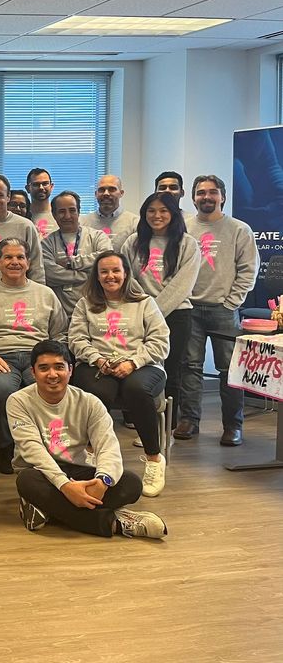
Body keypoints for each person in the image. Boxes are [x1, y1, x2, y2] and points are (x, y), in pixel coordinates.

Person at [10, 340, 167, 539]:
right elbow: (33, 450)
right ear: (33, 373)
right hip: (40, 472)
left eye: (59, 367)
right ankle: (116, 523)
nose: (52, 375)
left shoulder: (89, 402)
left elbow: (108, 446)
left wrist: (103, 481)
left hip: (78, 468)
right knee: (26, 481)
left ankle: (46, 509)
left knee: (131, 484)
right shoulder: (18, 401)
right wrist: (65, 486)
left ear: (70, 370)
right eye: (44, 368)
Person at [69, 251, 170, 497]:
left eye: (116, 271)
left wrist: (133, 362)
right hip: (97, 364)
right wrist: (98, 359)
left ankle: (154, 458)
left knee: (136, 389)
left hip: (143, 365)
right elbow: (76, 339)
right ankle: (92, 455)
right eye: (104, 271)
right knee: (98, 392)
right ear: (97, 276)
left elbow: (161, 341)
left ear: (126, 273)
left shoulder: (144, 302)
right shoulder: (85, 303)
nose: (110, 276)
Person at [0, 238, 68, 474]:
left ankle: (46, 446)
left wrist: (50, 360)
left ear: (29, 262)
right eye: (8, 257)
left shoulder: (45, 294)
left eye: (20, 257)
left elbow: (60, 333)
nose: (14, 262)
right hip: (0, 357)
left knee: (50, 386)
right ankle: (8, 446)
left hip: (38, 357)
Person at [179, 175, 259, 446]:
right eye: (201, 193)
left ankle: (233, 426)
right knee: (190, 367)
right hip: (189, 308)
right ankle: (189, 420)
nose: (206, 197)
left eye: (212, 192)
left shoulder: (239, 229)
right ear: (193, 198)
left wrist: (231, 302)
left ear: (222, 196)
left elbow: (249, 270)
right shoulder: (184, 227)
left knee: (229, 371)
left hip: (224, 310)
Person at [122, 192, 199, 420]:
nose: (157, 215)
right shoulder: (133, 242)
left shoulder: (187, 243)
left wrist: (154, 312)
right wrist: (145, 309)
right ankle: (142, 421)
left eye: (163, 210)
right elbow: (127, 277)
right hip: (139, 314)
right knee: (140, 368)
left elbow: (182, 284)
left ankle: (169, 426)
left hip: (176, 314)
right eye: (151, 210)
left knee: (172, 371)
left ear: (173, 213)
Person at [42, 190, 111, 317]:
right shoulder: (47, 244)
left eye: (72, 210)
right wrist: (89, 275)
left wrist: (71, 263)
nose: (67, 216)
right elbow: (49, 274)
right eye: (62, 211)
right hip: (60, 314)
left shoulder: (97, 237)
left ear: (79, 211)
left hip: (95, 312)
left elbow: (107, 262)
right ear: (54, 214)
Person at [80, 175, 139, 252]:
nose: (106, 193)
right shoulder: (82, 223)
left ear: (121, 193)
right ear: (96, 194)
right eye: (101, 190)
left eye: (112, 189)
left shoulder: (135, 223)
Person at [26, 168, 57, 240]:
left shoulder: (59, 213)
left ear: (51, 187)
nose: (41, 188)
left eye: (45, 183)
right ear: (28, 188)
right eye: (36, 184)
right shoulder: (23, 214)